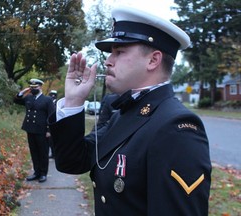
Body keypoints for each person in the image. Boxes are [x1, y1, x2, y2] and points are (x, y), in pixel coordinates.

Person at [49, 5, 211, 215]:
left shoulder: (176, 127)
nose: (107, 61)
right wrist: (73, 101)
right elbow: (73, 161)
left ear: (153, 60)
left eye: (119, 52)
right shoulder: (125, 113)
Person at [14, 78, 55, 183]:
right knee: (34, 152)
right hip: (30, 129)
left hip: (42, 130)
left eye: (35, 87)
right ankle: (36, 172)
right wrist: (22, 92)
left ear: (40, 87)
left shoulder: (47, 100)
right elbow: (16, 100)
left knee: (43, 152)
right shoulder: (29, 97)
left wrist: (49, 130)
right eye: (31, 87)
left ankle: (43, 173)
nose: (33, 89)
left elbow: (51, 116)